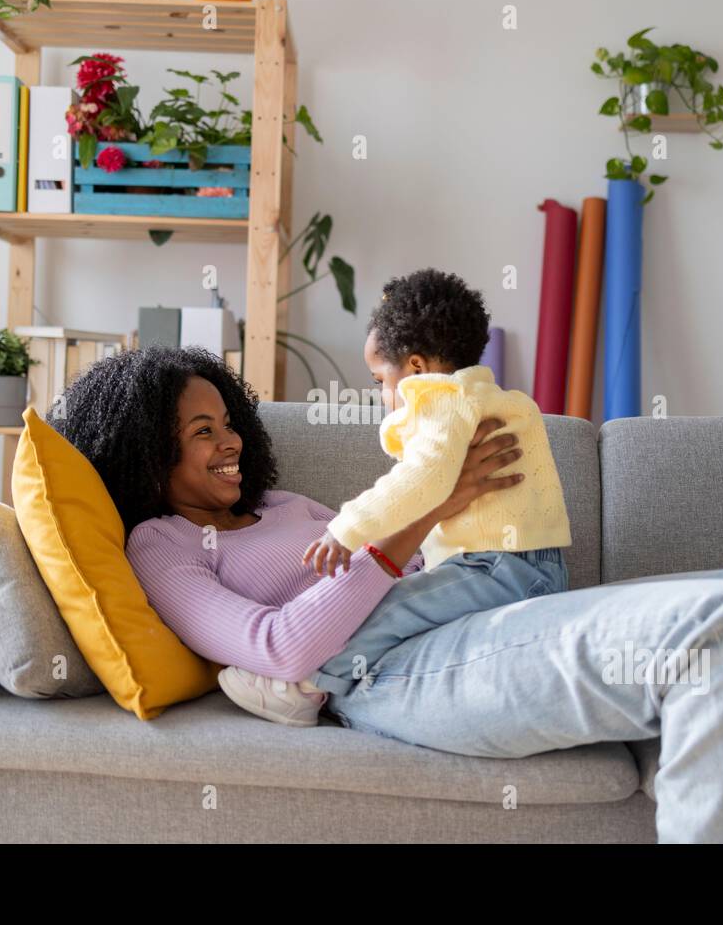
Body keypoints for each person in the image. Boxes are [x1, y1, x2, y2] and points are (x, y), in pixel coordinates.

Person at [50, 345, 723, 843]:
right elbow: (286, 649)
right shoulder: (162, 546)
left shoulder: (283, 502)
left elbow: (396, 553)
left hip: (468, 612)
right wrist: (424, 519)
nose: (222, 445)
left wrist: (462, 513)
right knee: (719, 626)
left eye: (224, 423)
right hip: (388, 675)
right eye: (196, 433)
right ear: (146, 450)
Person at [219, 268, 573, 725]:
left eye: (379, 380)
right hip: (530, 568)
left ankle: (304, 688)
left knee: (389, 607)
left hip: (498, 568)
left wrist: (346, 530)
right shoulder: (502, 400)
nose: (383, 395)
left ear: (417, 368)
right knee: (409, 613)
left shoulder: (445, 401)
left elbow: (424, 477)